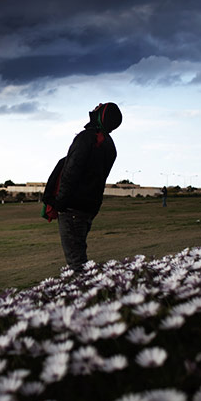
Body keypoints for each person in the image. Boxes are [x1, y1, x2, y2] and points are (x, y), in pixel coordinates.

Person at [52, 102, 122, 273]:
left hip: (73, 207)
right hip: (89, 207)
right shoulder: (109, 144)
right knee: (79, 255)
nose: (96, 106)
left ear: (101, 115)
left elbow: (71, 171)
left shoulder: (87, 138)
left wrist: (59, 202)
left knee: (76, 262)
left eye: (100, 106)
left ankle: (88, 295)